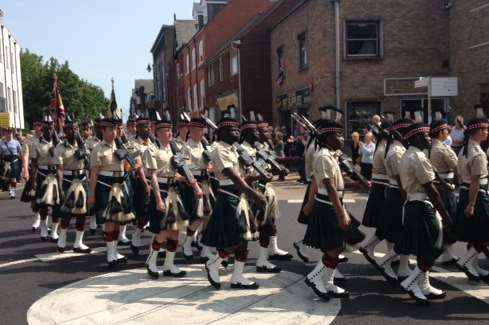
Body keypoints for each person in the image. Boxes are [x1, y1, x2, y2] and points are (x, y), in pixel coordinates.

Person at [202, 108, 266, 290]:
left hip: (241, 197)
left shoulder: (235, 150)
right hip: (229, 197)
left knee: (243, 240)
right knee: (234, 240)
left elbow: (242, 176)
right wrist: (255, 194)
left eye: (238, 129)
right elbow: (232, 176)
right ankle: (214, 263)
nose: (237, 132)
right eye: (232, 130)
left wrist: (256, 177)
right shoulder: (219, 150)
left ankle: (237, 277)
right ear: (221, 132)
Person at [395, 123, 450, 305]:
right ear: (416, 138)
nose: (428, 139)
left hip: (412, 204)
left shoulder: (406, 155)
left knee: (423, 247)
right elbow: (431, 189)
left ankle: (424, 285)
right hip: (422, 206)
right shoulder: (418, 157)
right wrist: (446, 215)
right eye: (425, 136)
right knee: (435, 244)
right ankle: (412, 282)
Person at [145, 111, 201, 278]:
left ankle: (169, 265)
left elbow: (177, 171)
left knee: (175, 230)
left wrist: (188, 181)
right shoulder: (152, 149)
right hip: (161, 190)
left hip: (174, 190)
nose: (170, 133)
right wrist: (157, 199)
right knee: (163, 231)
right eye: (166, 131)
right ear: (157, 132)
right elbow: (153, 175)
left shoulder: (173, 149)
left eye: (170, 130)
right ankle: (152, 260)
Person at [302, 119, 350, 301]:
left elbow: (329, 182)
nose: (342, 138)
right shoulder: (323, 156)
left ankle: (328, 281)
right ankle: (315, 276)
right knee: (334, 247)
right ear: (328, 137)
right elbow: (329, 187)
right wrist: (341, 213)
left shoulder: (330, 154)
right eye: (338, 135)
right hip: (328, 205)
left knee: (335, 247)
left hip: (332, 203)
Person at [374, 119, 413, 283]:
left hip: (399, 193)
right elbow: (401, 179)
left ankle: (404, 268)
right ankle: (386, 262)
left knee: (403, 233)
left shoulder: (399, 148)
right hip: (398, 194)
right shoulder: (396, 151)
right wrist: (407, 200)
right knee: (401, 233)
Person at [454, 118, 489, 282]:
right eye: (486, 130)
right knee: (484, 232)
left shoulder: (464, 149)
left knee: (474, 232)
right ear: (479, 131)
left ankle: (474, 264)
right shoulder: (478, 153)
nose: (487, 133)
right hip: (476, 195)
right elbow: (476, 180)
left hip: (465, 191)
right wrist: (472, 204)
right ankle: (466, 261)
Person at [54, 115, 91, 253]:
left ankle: (78, 243)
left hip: (81, 179)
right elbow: (60, 169)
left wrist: (83, 151)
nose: (74, 132)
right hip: (69, 180)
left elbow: (88, 165)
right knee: (67, 213)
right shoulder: (60, 147)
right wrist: (60, 187)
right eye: (70, 129)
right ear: (65, 130)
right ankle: (62, 239)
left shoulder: (83, 144)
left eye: (75, 129)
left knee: (82, 213)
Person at [179, 117, 212, 261]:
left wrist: (210, 166)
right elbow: (186, 168)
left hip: (206, 181)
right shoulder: (187, 147)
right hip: (195, 182)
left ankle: (205, 247)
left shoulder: (204, 145)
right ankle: (187, 242)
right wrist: (194, 184)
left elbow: (211, 164)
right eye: (198, 130)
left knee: (208, 216)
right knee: (197, 217)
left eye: (202, 130)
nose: (201, 133)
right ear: (191, 131)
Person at [359, 120, 391, 265]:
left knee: (386, 222)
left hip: (380, 186)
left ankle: (390, 252)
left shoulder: (381, 145)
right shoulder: (384, 147)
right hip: (383, 187)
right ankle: (370, 246)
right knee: (387, 222)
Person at [429, 117, 459, 265]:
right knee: (449, 217)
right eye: (446, 129)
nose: (448, 131)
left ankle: (448, 253)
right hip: (445, 186)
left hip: (438, 185)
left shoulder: (430, 146)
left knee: (443, 219)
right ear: (441, 132)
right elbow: (455, 163)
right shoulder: (441, 148)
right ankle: (445, 252)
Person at [31, 113, 62, 242]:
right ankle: (44, 227)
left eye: (51, 128)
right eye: (47, 128)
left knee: (56, 205)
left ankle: (54, 231)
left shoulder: (59, 144)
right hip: (43, 175)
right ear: (42, 129)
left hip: (55, 174)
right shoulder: (36, 144)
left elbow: (61, 165)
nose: (49, 130)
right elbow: (33, 164)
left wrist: (61, 184)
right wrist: (32, 181)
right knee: (43, 205)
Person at [0, 128, 22, 199]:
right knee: (4, 176)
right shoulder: (1, 143)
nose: (9, 134)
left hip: (14, 159)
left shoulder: (16, 142)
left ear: (12, 133)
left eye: (10, 132)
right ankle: (7, 187)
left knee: (13, 176)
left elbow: (20, 152)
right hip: (5, 160)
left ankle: (12, 191)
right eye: (7, 133)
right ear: (5, 134)